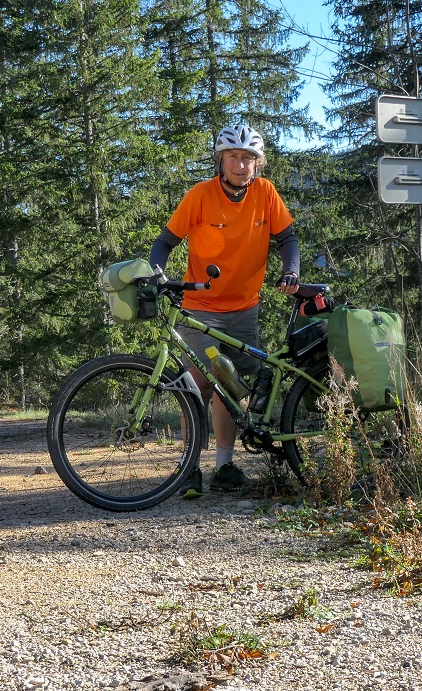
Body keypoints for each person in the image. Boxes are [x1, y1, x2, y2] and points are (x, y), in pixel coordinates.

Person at [149, 124, 301, 498]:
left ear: (257, 164)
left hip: (245, 308)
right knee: (199, 383)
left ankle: (223, 468)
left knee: (232, 390)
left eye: (248, 158)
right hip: (201, 308)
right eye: (233, 156)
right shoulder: (200, 195)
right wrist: (157, 273)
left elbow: (287, 238)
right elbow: (165, 241)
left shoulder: (265, 193)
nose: (240, 164)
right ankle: (189, 469)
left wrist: (291, 270)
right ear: (220, 160)